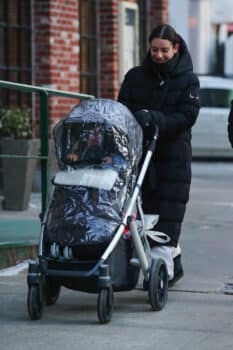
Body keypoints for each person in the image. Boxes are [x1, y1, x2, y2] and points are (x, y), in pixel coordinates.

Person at [118, 24, 201, 286]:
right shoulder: (135, 77)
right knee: (142, 212)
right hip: (141, 154)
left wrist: (153, 118)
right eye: (154, 50)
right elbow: (123, 109)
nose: (159, 55)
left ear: (175, 48)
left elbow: (187, 116)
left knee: (167, 213)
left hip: (173, 156)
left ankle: (162, 264)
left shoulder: (188, 80)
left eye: (165, 50)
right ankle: (164, 261)